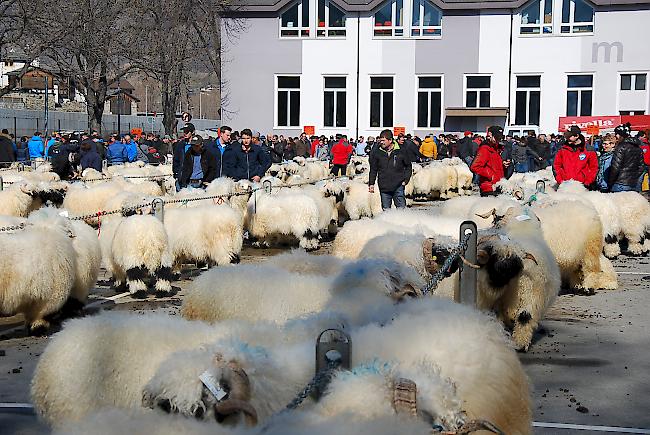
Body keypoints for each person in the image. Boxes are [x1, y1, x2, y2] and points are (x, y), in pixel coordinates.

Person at [368, 129, 411, 210]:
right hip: (384, 187)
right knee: (386, 211)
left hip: (398, 185)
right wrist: (371, 184)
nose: (381, 142)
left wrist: (406, 180)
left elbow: (408, 166)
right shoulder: (377, 152)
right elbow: (373, 169)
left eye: (383, 140)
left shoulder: (401, 151)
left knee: (401, 210)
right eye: (380, 140)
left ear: (390, 140)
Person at [608, 123, 645, 192]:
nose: (616, 136)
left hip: (620, 183)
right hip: (634, 184)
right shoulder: (638, 148)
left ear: (619, 135)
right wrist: (635, 177)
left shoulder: (620, 147)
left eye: (616, 134)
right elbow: (642, 167)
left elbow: (615, 167)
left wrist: (610, 182)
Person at [470, 126, 505, 197]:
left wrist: (504, 165)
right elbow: (475, 166)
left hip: (497, 185)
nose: (498, 139)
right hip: (488, 188)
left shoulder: (496, 149)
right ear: (490, 135)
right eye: (497, 137)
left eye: (500, 137)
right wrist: (491, 175)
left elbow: (493, 164)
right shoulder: (485, 149)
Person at [173, 123, 195, 189]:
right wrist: (176, 173)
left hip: (192, 179)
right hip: (181, 177)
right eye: (184, 131)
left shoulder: (196, 145)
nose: (185, 133)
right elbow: (176, 160)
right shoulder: (180, 145)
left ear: (192, 132)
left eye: (187, 132)